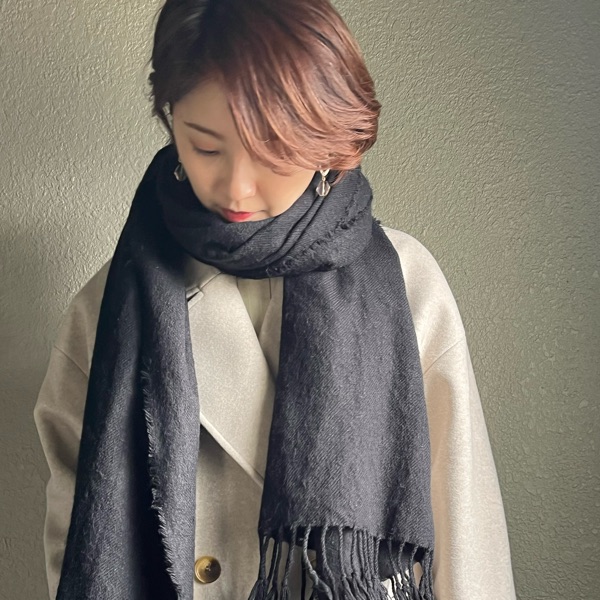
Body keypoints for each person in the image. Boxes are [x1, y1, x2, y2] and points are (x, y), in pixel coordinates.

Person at [34, 0, 517, 599]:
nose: (236, 188)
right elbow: (78, 530)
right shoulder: (109, 306)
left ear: (327, 137)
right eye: (206, 148)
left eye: (271, 151)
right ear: (171, 120)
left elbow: (463, 523)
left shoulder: (406, 282)